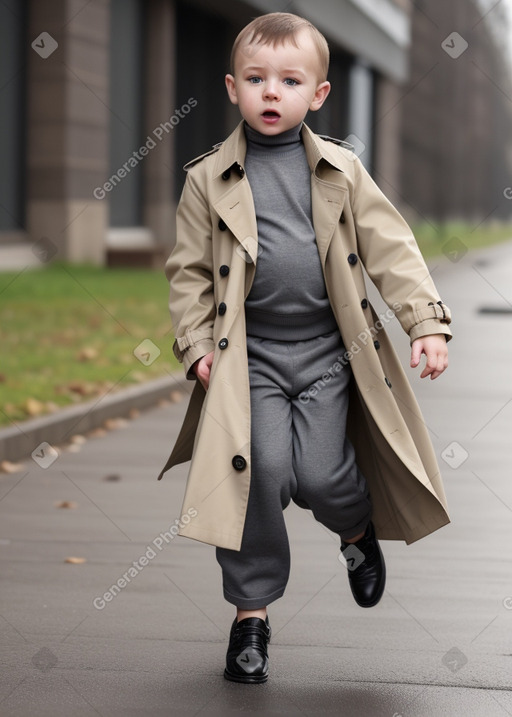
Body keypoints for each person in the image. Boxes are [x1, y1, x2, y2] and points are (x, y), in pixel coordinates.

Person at [157, 12, 452, 684]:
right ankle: (250, 617)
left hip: (329, 355)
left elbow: (393, 249)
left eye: (289, 81)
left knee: (321, 474)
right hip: (248, 359)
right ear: (233, 88)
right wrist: (196, 341)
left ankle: (355, 533)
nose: (271, 93)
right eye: (256, 79)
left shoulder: (342, 170)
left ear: (317, 94)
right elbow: (189, 273)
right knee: (259, 471)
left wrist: (425, 322)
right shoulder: (208, 179)